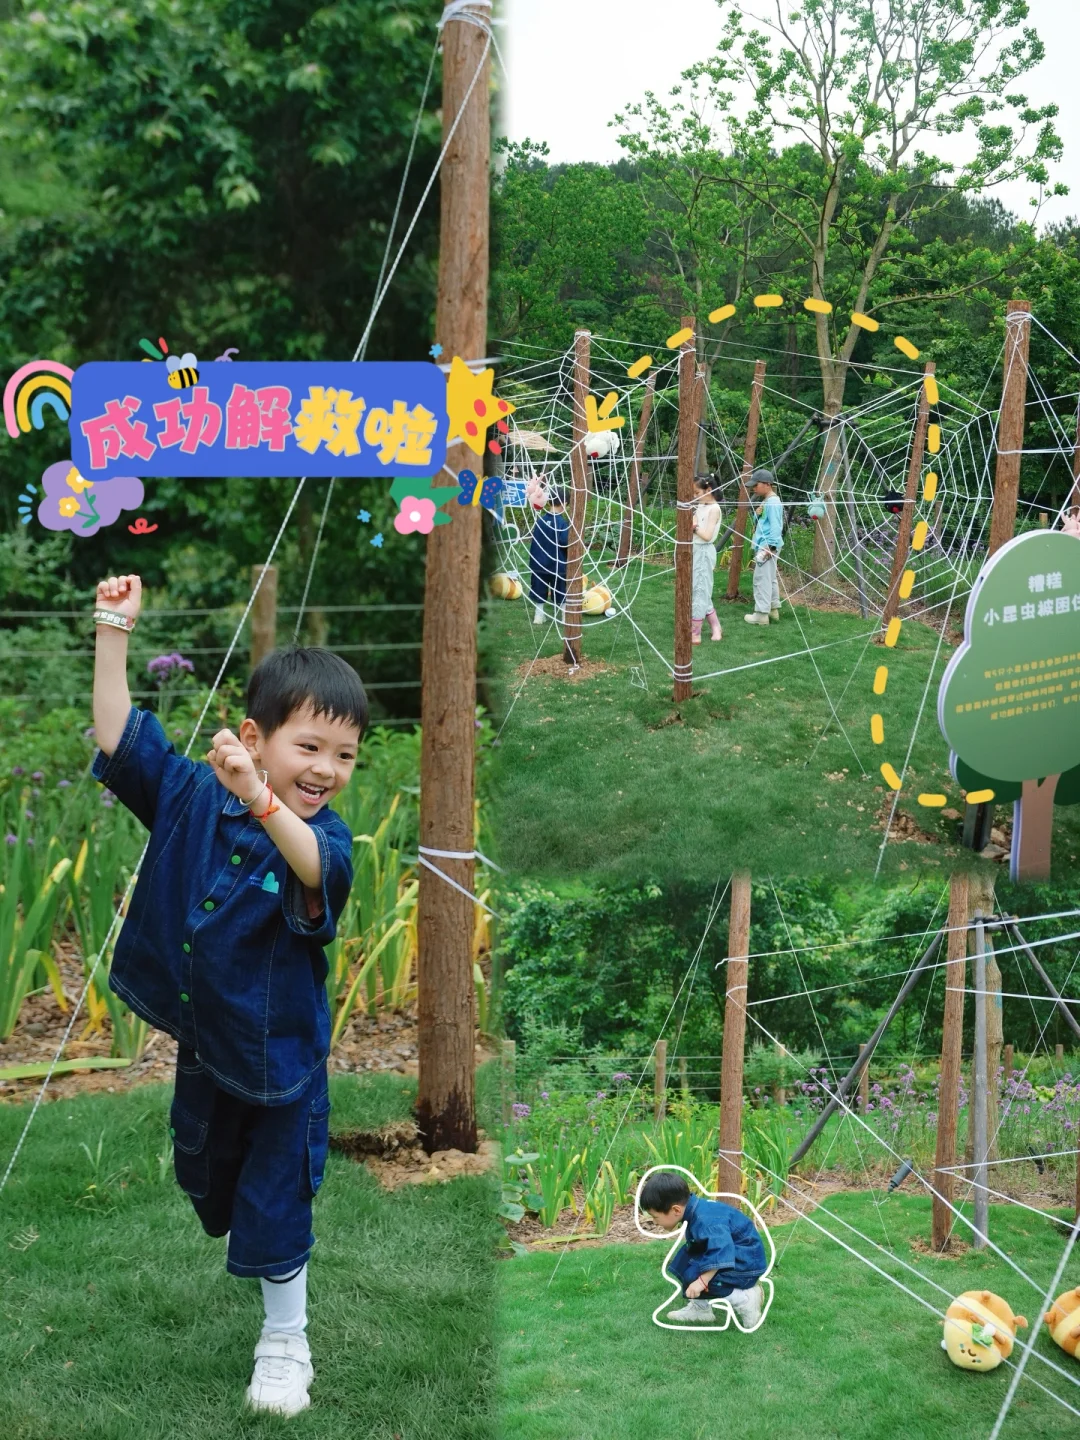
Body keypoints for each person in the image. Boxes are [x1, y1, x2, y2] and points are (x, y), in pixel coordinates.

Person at [90, 573, 367, 1417]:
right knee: (208, 1185)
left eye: (346, 755)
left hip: (282, 1064)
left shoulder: (321, 835)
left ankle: (286, 1341)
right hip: (208, 1049)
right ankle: (260, 1270)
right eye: (308, 747)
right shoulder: (191, 795)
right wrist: (113, 628)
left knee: (274, 1203)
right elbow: (118, 738)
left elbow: (314, 870)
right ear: (253, 735)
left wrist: (263, 794)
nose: (326, 769)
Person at [641, 1171, 767, 1328]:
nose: (654, 1221)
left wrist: (702, 1281)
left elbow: (721, 1252)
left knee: (702, 1278)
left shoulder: (706, 1221)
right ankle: (701, 1310)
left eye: (655, 1217)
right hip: (736, 1254)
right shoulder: (696, 1211)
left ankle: (745, 1298)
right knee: (685, 1261)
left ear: (676, 1210)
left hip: (746, 1264)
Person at [744, 468, 784, 626]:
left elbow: (776, 526)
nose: (754, 488)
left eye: (756, 485)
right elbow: (763, 521)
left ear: (767, 484)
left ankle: (761, 614)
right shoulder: (767, 500)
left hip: (767, 546)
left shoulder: (773, 502)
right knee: (770, 578)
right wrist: (757, 513)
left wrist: (770, 546)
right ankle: (773, 609)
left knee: (761, 579)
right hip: (768, 544)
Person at [528, 484, 569, 624]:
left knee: (539, 590)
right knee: (561, 590)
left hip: (539, 564)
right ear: (564, 503)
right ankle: (564, 617)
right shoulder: (562, 523)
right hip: (557, 566)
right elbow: (564, 542)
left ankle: (538, 616)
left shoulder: (540, 521)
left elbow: (535, 542)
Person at [690, 474, 723, 643]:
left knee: (700, 590)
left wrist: (693, 528)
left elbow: (708, 536)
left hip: (704, 552)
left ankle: (695, 632)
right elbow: (695, 520)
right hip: (695, 550)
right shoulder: (701, 506)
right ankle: (716, 626)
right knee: (699, 589)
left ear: (708, 490)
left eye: (697, 492)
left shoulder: (714, 509)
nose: (695, 496)